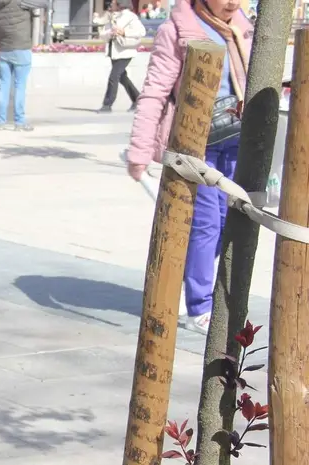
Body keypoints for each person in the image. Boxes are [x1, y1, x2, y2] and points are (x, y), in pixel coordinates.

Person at [126, 0, 252, 334]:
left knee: (232, 222)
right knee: (206, 223)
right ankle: (200, 306)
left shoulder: (245, 26)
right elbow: (155, 91)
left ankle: (189, 280)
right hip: (197, 142)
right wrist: (140, 149)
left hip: (239, 139)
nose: (233, 2)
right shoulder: (178, 30)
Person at [0, 0, 48, 130]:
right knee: (19, 86)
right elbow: (43, 3)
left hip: (4, 48)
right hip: (21, 47)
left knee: (3, 86)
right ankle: (19, 122)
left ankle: (0, 121)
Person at [98, 0, 144, 113]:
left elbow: (141, 32)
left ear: (120, 4)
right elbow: (103, 34)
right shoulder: (112, 17)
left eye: (113, 3)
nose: (110, 5)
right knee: (122, 78)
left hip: (125, 52)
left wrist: (124, 32)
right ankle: (137, 99)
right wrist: (110, 33)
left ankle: (107, 105)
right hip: (114, 52)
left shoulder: (130, 17)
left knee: (113, 77)